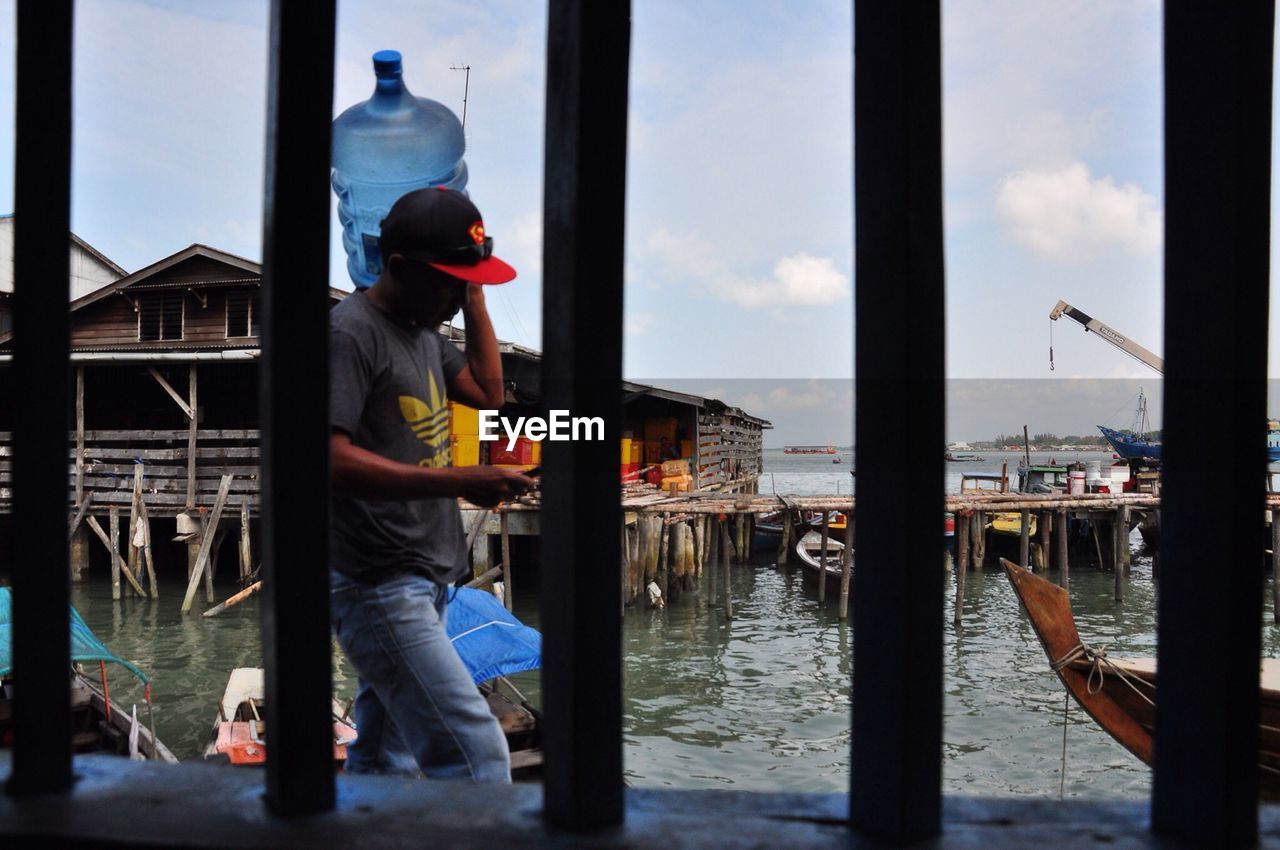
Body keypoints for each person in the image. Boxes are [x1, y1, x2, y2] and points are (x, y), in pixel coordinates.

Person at [328, 187, 535, 781]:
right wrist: (463, 479)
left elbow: (488, 393)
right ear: (397, 268)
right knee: (477, 757)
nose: (453, 297)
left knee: (384, 758)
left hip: (430, 580)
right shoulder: (351, 334)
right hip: (378, 582)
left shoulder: (423, 333)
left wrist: (472, 291)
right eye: (447, 280)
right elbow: (329, 459)